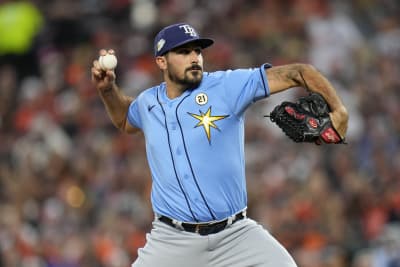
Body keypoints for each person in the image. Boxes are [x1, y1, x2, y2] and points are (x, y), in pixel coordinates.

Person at [91, 22, 348, 267]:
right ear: (161, 61)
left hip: (235, 235)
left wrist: (338, 110)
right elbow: (126, 119)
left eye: (197, 51)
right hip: (172, 239)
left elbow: (299, 72)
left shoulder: (226, 86)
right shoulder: (149, 102)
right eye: (183, 52)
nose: (194, 57)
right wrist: (108, 91)